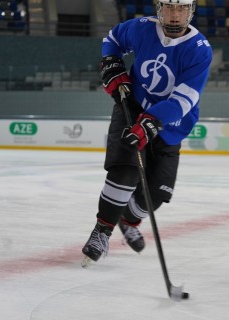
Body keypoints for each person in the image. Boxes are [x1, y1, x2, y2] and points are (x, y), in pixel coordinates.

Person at [81, 0, 212, 264]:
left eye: (181, 9)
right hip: (132, 106)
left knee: (157, 193)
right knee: (124, 170)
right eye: (169, 8)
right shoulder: (142, 28)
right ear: (159, 8)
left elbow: (184, 100)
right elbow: (113, 39)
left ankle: (129, 219)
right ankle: (102, 231)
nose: (175, 16)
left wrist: (152, 121)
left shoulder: (200, 50)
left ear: (191, 11)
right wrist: (112, 64)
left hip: (170, 124)